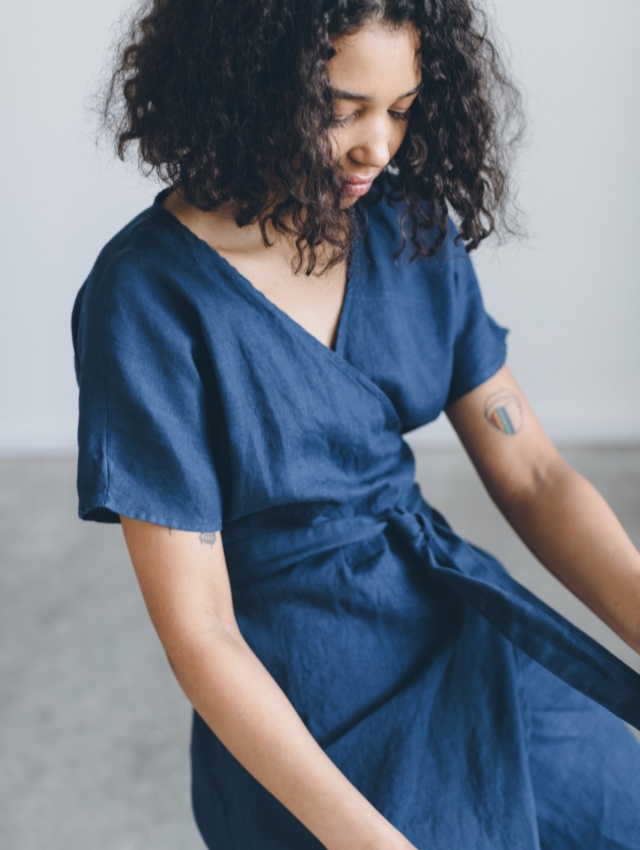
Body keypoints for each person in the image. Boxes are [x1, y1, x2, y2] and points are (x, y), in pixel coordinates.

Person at [71, 1, 640, 848]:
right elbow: (202, 630)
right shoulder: (148, 298)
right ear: (248, 85)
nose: (379, 147)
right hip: (302, 695)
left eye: (401, 111)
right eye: (342, 110)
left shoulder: (405, 225)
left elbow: (536, 474)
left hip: (451, 620)